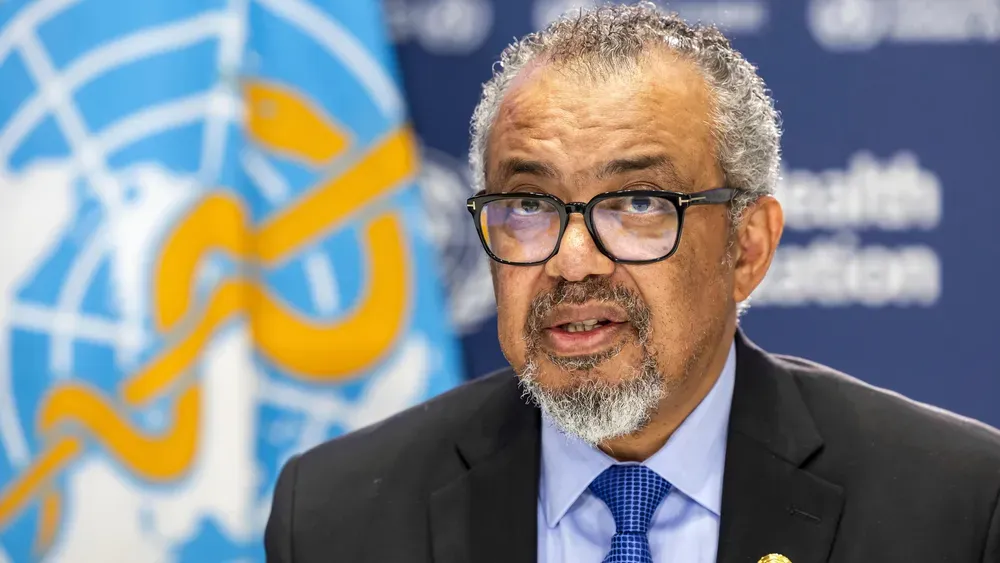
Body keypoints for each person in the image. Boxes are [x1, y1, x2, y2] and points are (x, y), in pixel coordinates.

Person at [264, 3, 1000, 562]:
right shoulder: (337, 517)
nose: (572, 260)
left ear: (747, 246)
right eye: (529, 205)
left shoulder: (950, 506)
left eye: (639, 203)